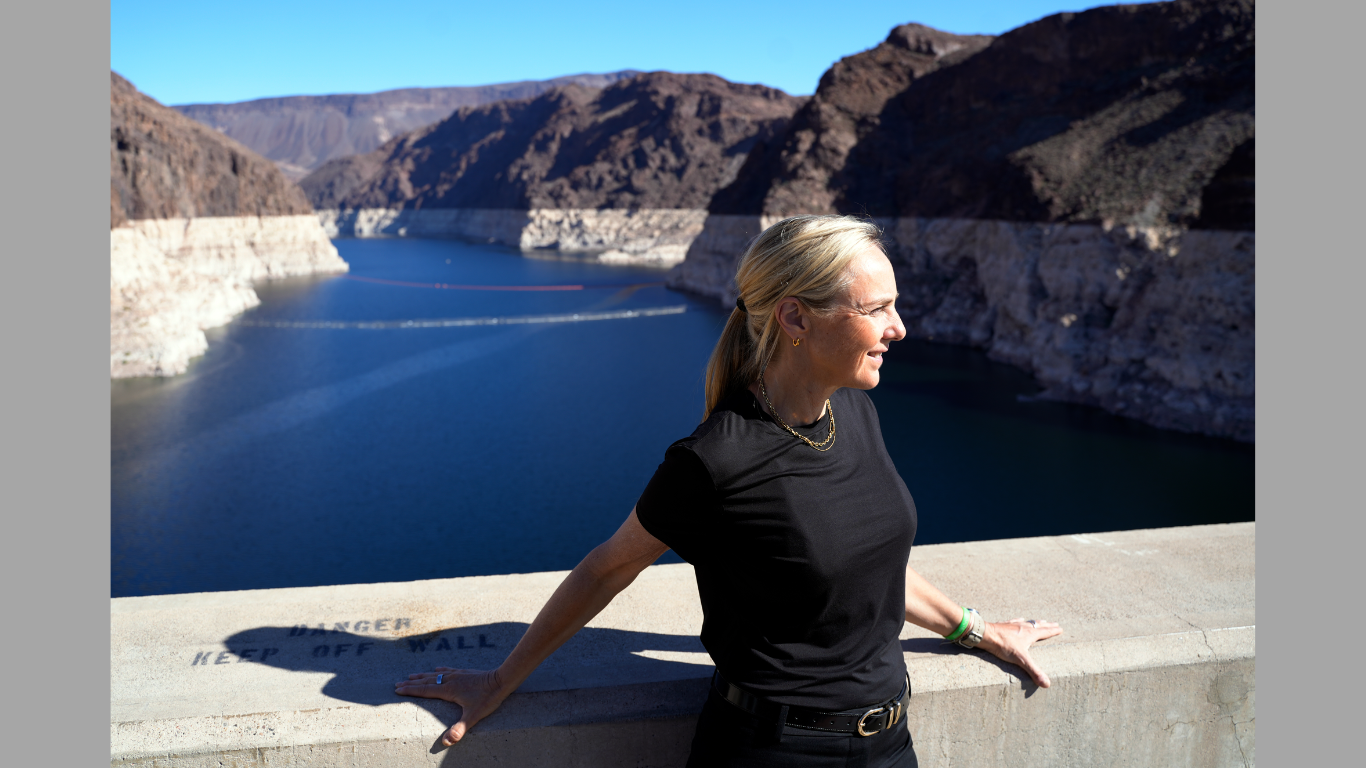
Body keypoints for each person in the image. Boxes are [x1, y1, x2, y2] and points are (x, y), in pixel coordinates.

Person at [396, 215, 1062, 766]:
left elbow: (871, 565)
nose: (900, 328)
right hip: (771, 750)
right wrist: (499, 679)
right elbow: (607, 568)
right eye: (877, 309)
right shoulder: (715, 460)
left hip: (888, 745)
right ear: (795, 318)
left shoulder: (853, 411)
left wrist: (977, 631)